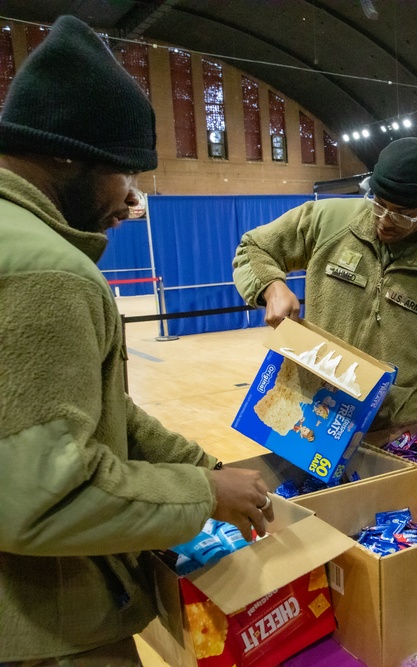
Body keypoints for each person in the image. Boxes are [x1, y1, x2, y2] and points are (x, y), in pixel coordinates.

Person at [0, 17, 273, 665]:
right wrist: (204, 495)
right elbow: (45, 493)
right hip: (42, 631)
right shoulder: (46, 271)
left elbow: (98, 415)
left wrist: (205, 468)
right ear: (67, 152)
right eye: (124, 172)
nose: (128, 200)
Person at [233, 137, 417, 486]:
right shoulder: (328, 221)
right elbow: (253, 248)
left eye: (403, 214)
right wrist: (271, 285)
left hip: (388, 441)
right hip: (305, 421)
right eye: (379, 204)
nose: (386, 221)